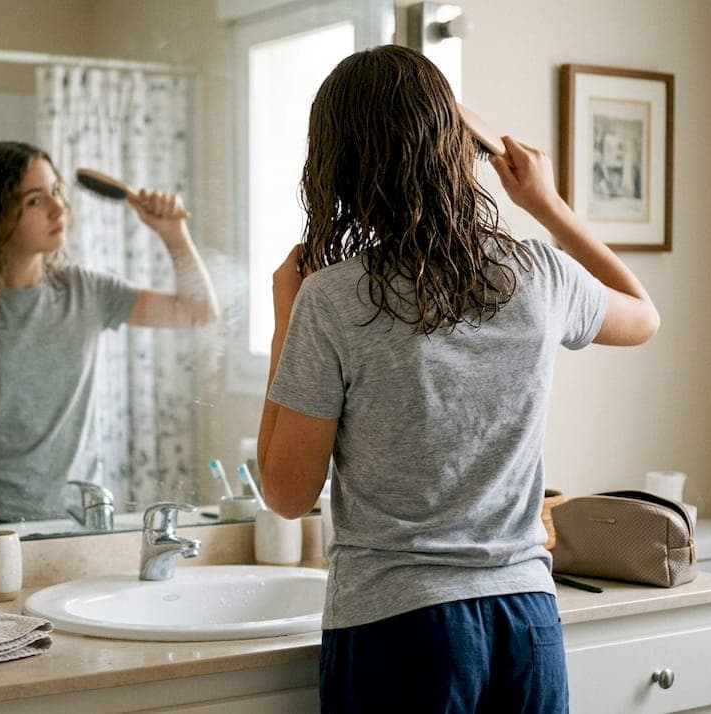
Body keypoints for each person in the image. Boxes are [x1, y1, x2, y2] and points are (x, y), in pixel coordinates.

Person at [257, 46, 659, 712]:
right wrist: (549, 204)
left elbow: (286, 492)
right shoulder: (538, 275)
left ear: (338, 165)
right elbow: (643, 315)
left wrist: (283, 316)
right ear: (452, 150)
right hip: (528, 624)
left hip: (401, 630)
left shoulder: (331, 298)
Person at [0, 141, 219, 522]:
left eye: (56, 191)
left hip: (75, 519)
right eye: (35, 200)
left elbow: (198, 311)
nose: (59, 208)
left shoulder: (84, 291)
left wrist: (173, 233)